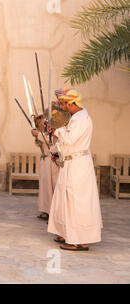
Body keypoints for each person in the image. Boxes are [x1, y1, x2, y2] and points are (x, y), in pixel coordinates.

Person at [47, 89, 103, 251]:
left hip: (78, 166)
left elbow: (70, 139)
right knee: (67, 201)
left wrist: (57, 130)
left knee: (76, 202)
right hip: (72, 163)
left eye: (64, 104)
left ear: (73, 103)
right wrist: (57, 153)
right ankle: (68, 234)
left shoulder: (81, 119)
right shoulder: (77, 117)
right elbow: (69, 142)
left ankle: (79, 240)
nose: (63, 107)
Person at [31, 115, 59, 221]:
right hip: (44, 161)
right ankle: (45, 210)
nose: (42, 124)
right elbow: (38, 136)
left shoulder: (53, 132)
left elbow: (51, 142)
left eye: (43, 122)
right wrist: (39, 134)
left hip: (52, 161)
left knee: (52, 186)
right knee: (44, 187)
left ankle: (54, 212)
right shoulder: (42, 133)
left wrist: (39, 135)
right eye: (40, 123)